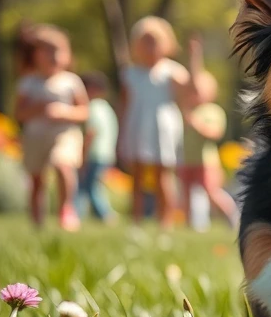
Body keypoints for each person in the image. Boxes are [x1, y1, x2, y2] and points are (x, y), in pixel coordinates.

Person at [119, 16, 200, 228]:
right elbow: (125, 106)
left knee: (162, 174)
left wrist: (194, 60)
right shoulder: (130, 74)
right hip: (137, 124)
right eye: (144, 41)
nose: (149, 46)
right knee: (136, 175)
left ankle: (165, 222)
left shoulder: (171, 70)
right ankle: (135, 221)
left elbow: (193, 91)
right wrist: (121, 136)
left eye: (154, 40)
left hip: (162, 126)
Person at [15, 25, 89, 231]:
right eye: (48, 51)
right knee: (37, 179)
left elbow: (84, 111)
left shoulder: (71, 82)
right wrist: (36, 109)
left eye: (59, 51)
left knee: (62, 164)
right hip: (35, 136)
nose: (54, 56)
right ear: (35, 55)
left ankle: (66, 209)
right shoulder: (28, 83)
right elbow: (18, 114)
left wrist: (65, 112)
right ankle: (37, 221)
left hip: (64, 133)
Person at [178, 38, 240, 229]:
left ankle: (233, 216)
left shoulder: (212, 111)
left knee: (211, 192)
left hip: (206, 161)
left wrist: (196, 125)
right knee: (186, 193)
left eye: (198, 90)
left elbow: (215, 133)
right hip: (187, 160)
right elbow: (191, 80)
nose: (193, 92)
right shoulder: (186, 109)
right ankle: (190, 226)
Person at [77, 71, 118, 222]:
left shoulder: (92, 107)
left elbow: (90, 133)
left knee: (86, 186)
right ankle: (80, 214)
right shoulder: (106, 107)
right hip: (106, 154)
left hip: (94, 154)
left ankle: (104, 215)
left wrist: (82, 155)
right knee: (92, 185)